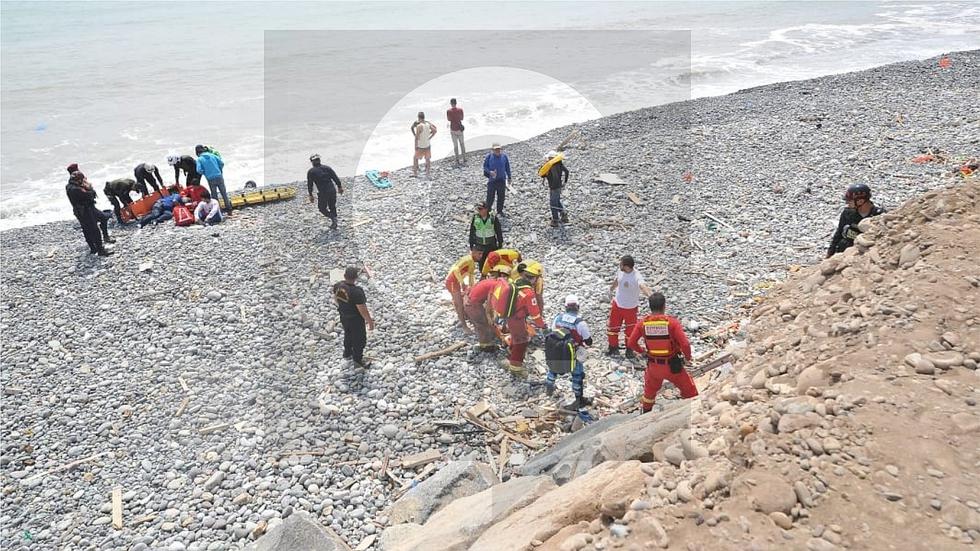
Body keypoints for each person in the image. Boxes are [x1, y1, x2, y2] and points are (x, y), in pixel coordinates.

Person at [627, 292, 696, 413]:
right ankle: (692, 412)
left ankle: (645, 414)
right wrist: (688, 357)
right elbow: (685, 344)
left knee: (649, 394)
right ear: (664, 306)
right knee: (689, 390)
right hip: (672, 366)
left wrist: (642, 352)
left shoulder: (643, 323)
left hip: (653, 366)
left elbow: (631, 343)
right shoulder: (671, 323)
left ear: (650, 306)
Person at [491, 262, 546, 378]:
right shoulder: (529, 293)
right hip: (517, 319)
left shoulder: (516, 282)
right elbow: (535, 314)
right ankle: (516, 368)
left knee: (517, 337)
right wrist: (542, 325)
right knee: (522, 341)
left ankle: (512, 354)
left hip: (510, 318)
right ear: (534, 279)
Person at [546, 295, 594, 411]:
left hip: (557, 350)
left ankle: (549, 386)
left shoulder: (558, 318)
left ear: (566, 307)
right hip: (573, 353)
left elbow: (553, 331)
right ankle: (579, 398)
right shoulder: (580, 323)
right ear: (578, 307)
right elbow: (589, 341)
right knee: (577, 375)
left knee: (553, 369)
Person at [607, 255, 652, 358]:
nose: (619, 265)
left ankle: (629, 350)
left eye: (621, 264)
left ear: (626, 266)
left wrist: (651, 296)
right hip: (617, 305)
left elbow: (642, 286)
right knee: (613, 327)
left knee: (630, 330)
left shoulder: (636, 276)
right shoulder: (620, 271)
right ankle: (613, 347)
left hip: (630, 308)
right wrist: (611, 289)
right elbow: (617, 280)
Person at [827, 183, 885, 257]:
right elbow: (838, 233)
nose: (847, 203)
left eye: (850, 201)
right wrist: (830, 253)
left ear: (860, 201)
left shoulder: (879, 215)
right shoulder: (847, 213)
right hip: (846, 251)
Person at [464, 264, 511, 353]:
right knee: (483, 325)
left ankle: (485, 342)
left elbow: (473, 288)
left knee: (481, 324)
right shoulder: (496, 285)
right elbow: (489, 304)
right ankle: (485, 346)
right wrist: (490, 317)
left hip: (470, 302)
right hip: (473, 305)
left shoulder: (489, 281)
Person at [334, 266, 375, 367]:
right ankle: (358, 359)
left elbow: (335, 298)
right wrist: (370, 322)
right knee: (359, 339)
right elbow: (362, 310)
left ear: (344, 276)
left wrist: (343, 308)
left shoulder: (338, 286)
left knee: (348, 334)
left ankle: (347, 353)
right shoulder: (357, 292)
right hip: (355, 320)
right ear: (356, 278)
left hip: (343, 316)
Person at [66, 171, 114, 256]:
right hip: (85, 211)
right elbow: (90, 195)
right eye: (82, 179)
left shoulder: (69, 186)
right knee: (93, 230)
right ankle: (99, 250)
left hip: (86, 209)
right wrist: (89, 187)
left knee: (102, 218)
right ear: (78, 180)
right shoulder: (76, 189)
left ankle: (102, 241)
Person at [445, 248, 483, 333]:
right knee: (459, 305)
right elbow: (455, 269)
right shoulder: (468, 259)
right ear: (473, 252)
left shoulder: (472, 263)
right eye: (479, 254)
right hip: (452, 282)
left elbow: (471, 277)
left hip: (456, 282)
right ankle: (464, 326)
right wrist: (462, 283)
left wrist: (472, 288)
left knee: (459, 301)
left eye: (482, 254)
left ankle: (462, 317)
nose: (480, 256)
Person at [307, 154, 344, 229]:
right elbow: (335, 178)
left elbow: (310, 184)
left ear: (312, 162)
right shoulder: (327, 168)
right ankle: (334, 222)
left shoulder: (311, 171)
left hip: (323, 192)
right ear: (319, 160)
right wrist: (339, 187)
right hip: (332, 190)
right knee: (332, 206)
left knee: (322, 208)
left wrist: (310, 195)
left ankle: (333, 218)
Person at [195, 145, 231, 214]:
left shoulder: (199, 159)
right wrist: (219, 170)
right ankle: (229, 209)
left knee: (214, 196)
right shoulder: (212, 155)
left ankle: (219, 211)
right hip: (219, 176)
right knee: (224, 193)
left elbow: (199, 170)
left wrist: (205, 173)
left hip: (210, 178)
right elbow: (222, 163)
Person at [469, 201, 503, 270]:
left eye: (481, 209)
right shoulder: (475, 218)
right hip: (480, 245)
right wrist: (471, 244)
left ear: (486, 209)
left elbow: (498, 231)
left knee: (493, 262)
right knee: (481, 264)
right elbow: (472, 231)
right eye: (478, 209)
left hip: (491, 245)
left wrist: (500, 243)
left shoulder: (493, 218)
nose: (479, 211)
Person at [541, 150, 570, 226]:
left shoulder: (550, 166)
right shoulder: (559, 164)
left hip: (554, 187)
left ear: (551, 158)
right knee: (557, 201)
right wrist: (565, 182)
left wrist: (553, 186)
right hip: (559, 186)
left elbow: (546, 175)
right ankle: (564, 215)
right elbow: (567, 172)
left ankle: (555, 220)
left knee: (553, 204)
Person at [483, 143, 511, 216]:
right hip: (492, 181)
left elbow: (507, 167)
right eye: (496, 149)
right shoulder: (489, 157)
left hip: (501, 180)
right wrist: (490, 172)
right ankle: (487, 212)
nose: (498, 150)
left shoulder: (504, 156)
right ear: (492, 150)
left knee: (501, 197)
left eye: (499, 149)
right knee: (490, 198)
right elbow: (485, 167)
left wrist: (509, 177)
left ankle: (500, 211)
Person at [412, 112, 436, 178]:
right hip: (427, 145)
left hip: (421, 146)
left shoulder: (419, 126)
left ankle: (415, 174)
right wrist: (430, 137)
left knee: (415, 158)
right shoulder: (428, 124)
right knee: (427, 159)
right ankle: (428, 174)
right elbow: (435, 131)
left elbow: (416, 138)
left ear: (419, 117)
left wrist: (415, 146)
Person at [447, 98, 465, 166]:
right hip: (459, 129)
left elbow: (449, 119)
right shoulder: (460, 110)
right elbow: (462, 118)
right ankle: (464, 158)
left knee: (455, 145)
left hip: (453, 129)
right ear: (456, 103)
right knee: (462, 144)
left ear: (451, 103)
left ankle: (457, 159)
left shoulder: (448, 111)